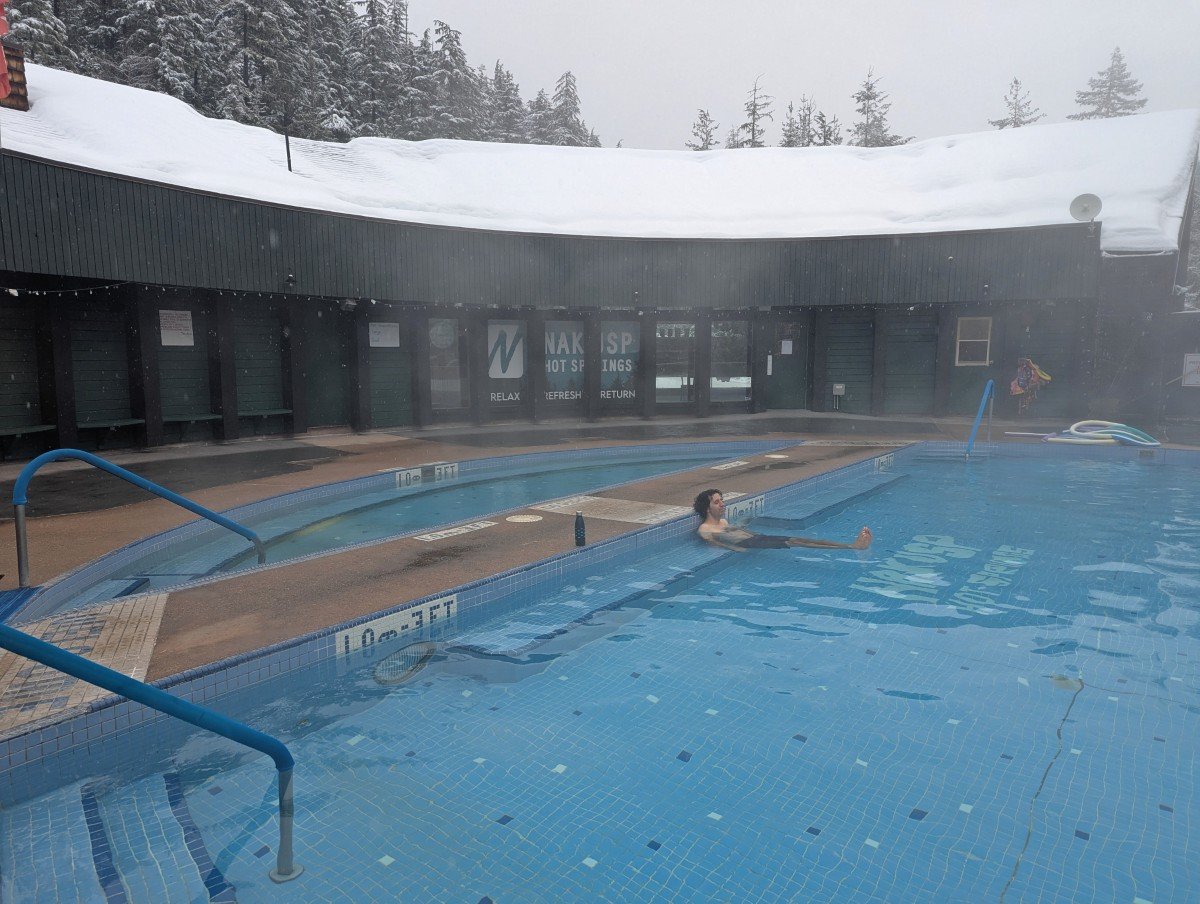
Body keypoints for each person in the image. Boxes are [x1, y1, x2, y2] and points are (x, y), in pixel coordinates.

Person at [693, 488, 872, 552]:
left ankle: (850, 546)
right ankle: (852, 546)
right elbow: (714, 543)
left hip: (757, 538)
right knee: (797, 541)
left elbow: (737, 530)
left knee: (799, 540)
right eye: (717, 502)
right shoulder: (705, 529)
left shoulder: (723, 523)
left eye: (722, 500)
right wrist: (735, 548)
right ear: (707, 508)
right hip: (753, 543)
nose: (723, 504)